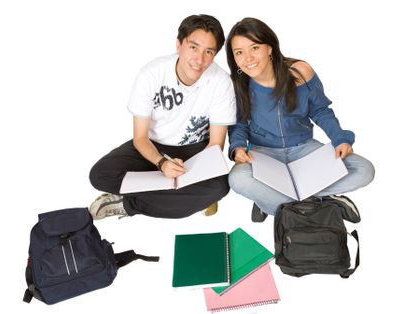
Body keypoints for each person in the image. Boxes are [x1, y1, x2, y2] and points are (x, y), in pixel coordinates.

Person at [226, 18, 375, 222]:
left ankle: (268, 201)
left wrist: (340, 139)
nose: (248, 58)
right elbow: (239, 123)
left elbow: (321, 110)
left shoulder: (300, 72)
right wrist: (238, 147)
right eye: (239, 52)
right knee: (238, 179)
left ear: (269, 47)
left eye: (255, 47)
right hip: (263, 154)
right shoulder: (236, 83)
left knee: (364, 170)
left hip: (304, 150)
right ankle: (322, 203)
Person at [88, 14, 236, 219]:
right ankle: (183, 196)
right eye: (193, 47)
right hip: (152, 146)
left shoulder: (221, 82)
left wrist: (195, 173)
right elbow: (140, 138)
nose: (199, 59)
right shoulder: (152, 73)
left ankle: (128, 204)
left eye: (208, 52)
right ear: (179, 45)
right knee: (100, 175)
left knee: (220, 188)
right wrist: (162, 164)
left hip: (195, 151)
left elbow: (215, 145)